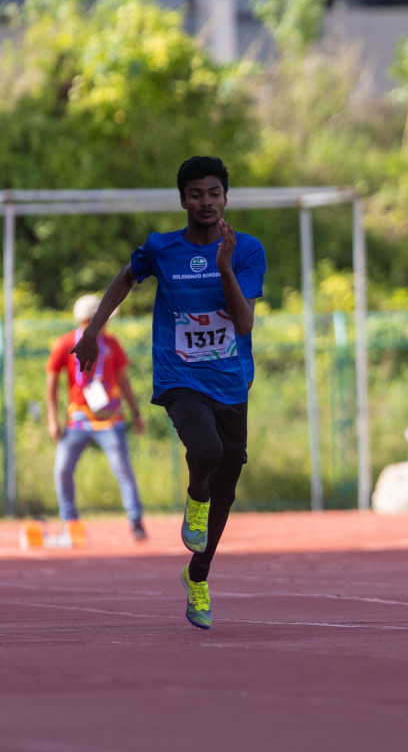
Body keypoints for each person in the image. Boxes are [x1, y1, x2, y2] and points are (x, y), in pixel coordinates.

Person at [73, 156, 266, 628]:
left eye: (214, 193)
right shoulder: (162, 249)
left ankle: (197, 577)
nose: (206, 201)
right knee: (204, 450)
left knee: (227, 487)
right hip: (179, 376)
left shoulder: (245, 250)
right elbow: (125, 277)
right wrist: (94, 330)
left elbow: (243, 323)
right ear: (183, 200)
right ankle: (193, 495)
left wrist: (223, 268)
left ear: (225, 198)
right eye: (196, 194)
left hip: (231, 380)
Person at [46, 294, 148, 541]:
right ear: (89, 320)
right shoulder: (65, 343)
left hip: (110, 420)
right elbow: (52, 383)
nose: (107, 322)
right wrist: (52, 419)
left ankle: (135, 521)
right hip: (77, 421)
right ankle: (70, 521)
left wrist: (135, 413)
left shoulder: (112, 344)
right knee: (62, 469)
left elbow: (124, 380)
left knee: (123, 469)